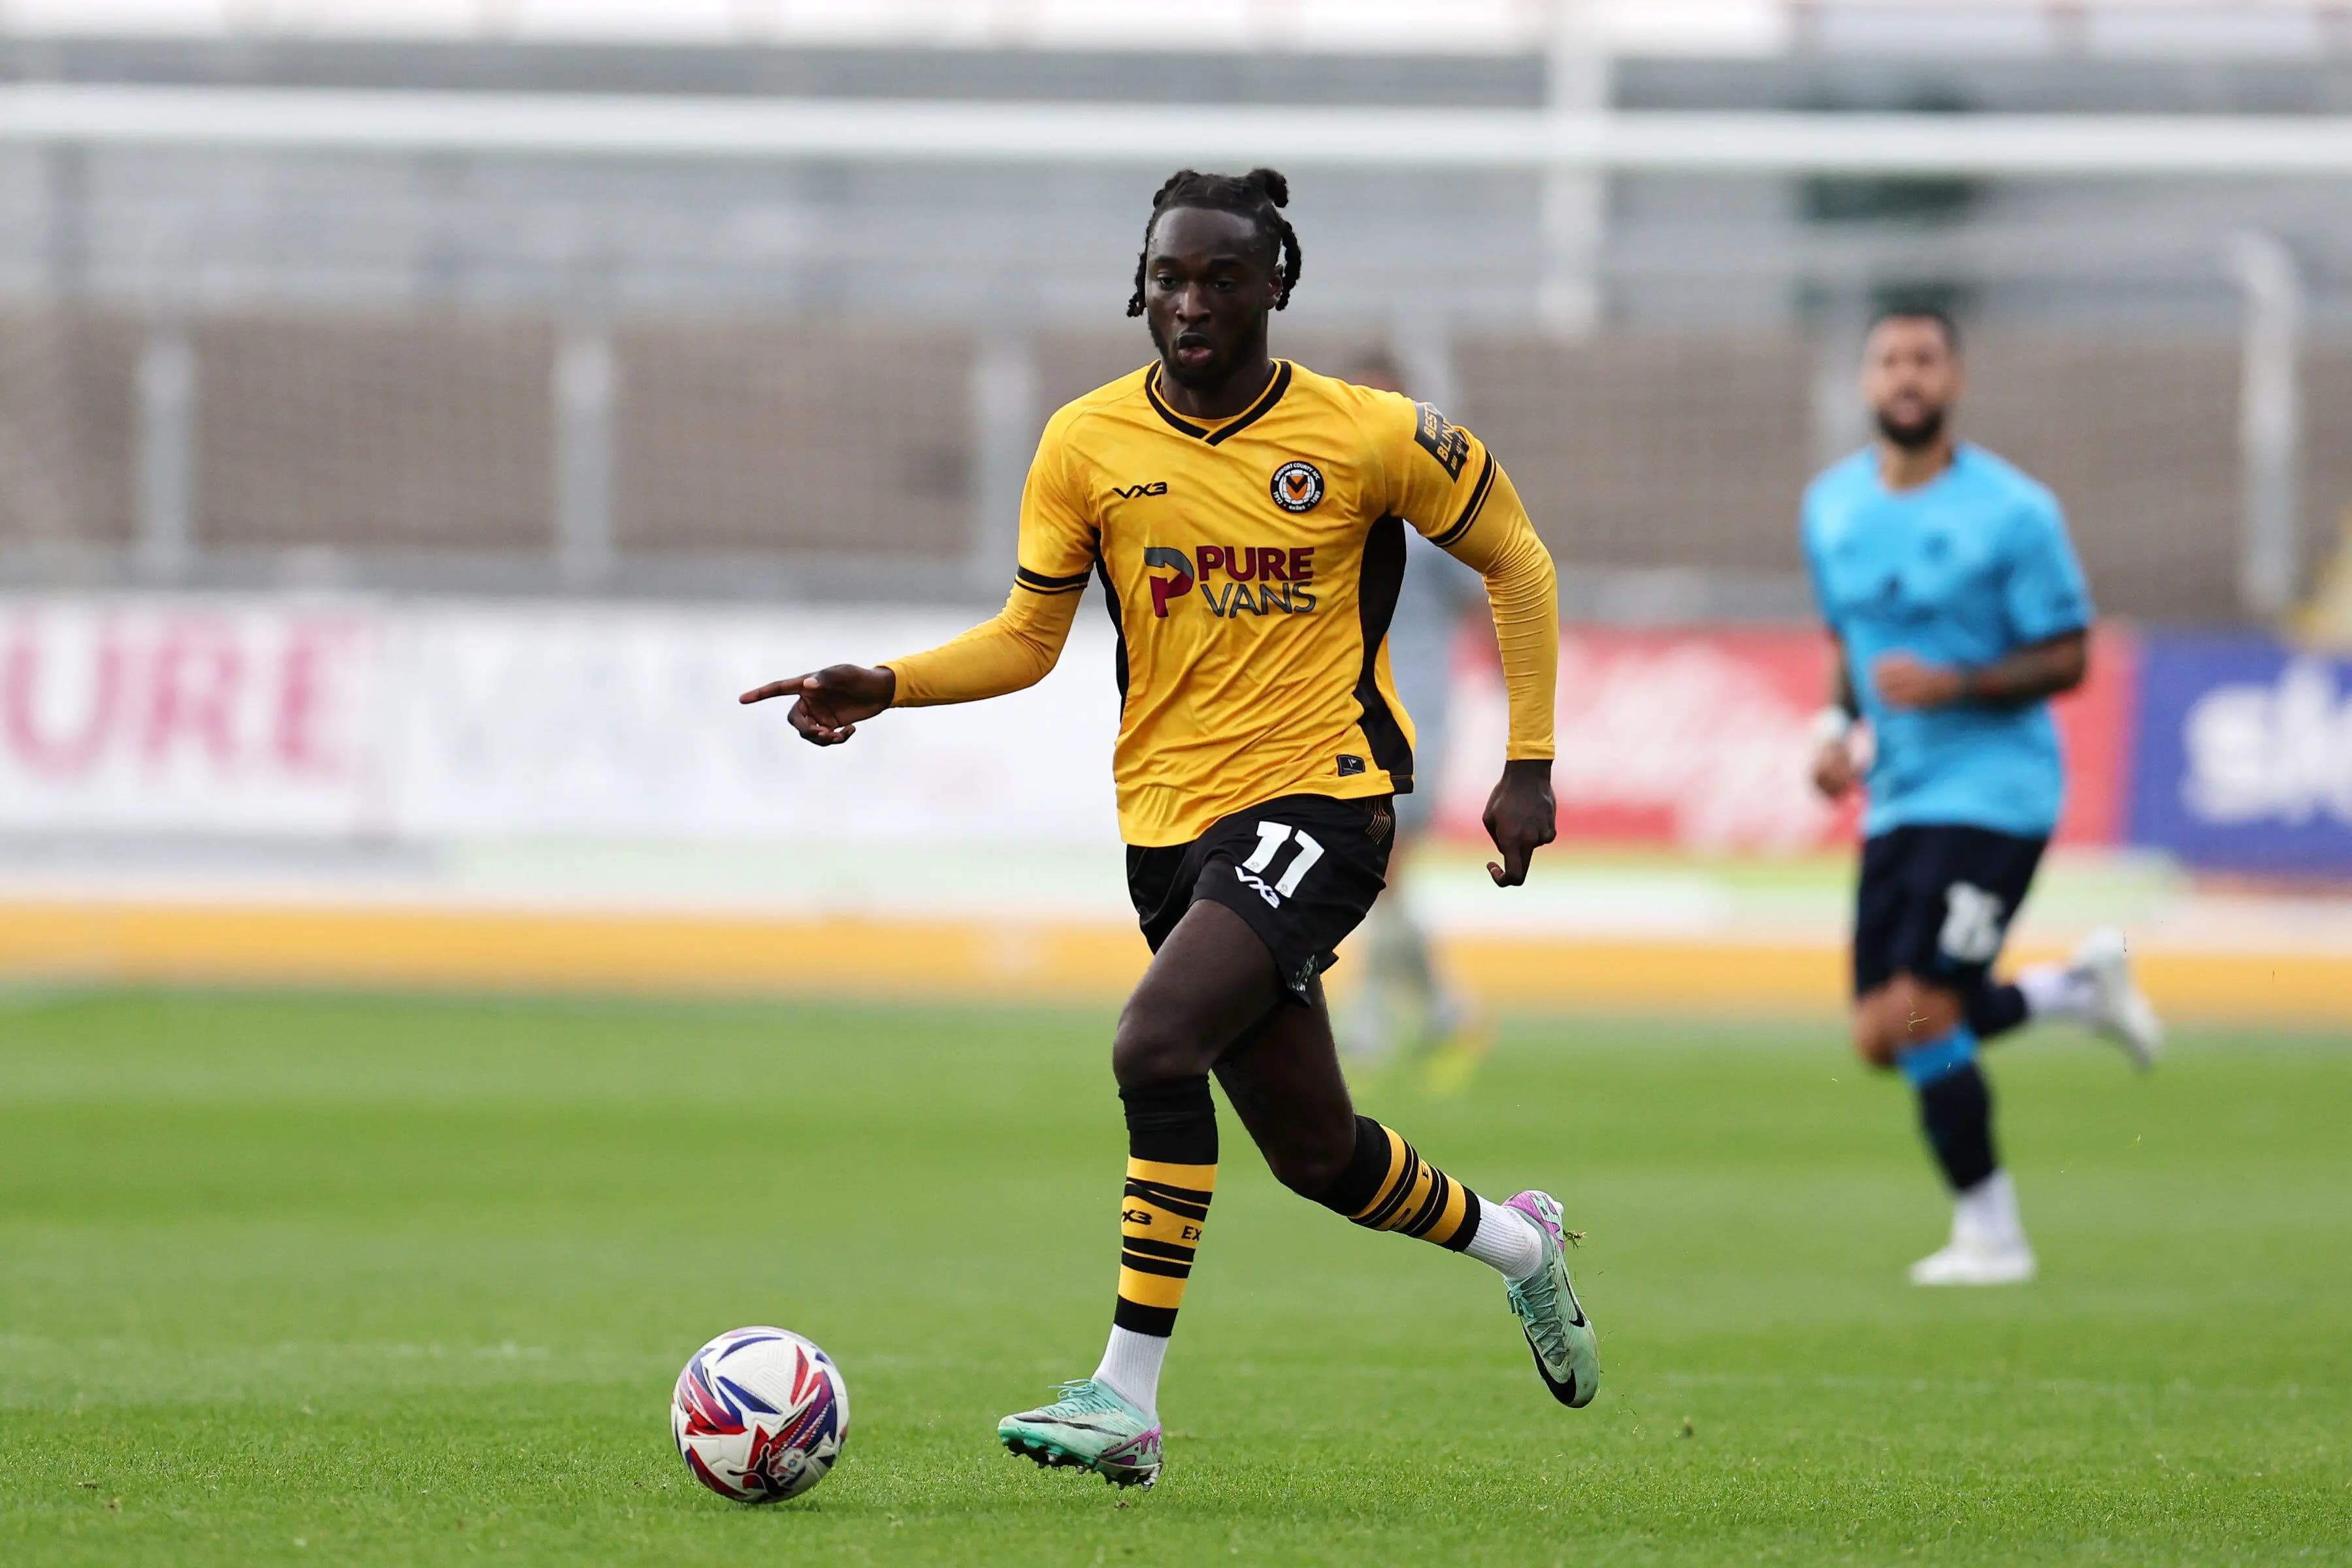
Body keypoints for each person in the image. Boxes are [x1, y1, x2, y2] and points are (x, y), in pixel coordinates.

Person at [742, 167, 1596, 1490]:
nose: (1188, 303)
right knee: (1318, 1154)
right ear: (1139, 286)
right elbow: (1031, 639)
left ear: (1277, 285)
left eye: (1218, 278)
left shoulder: (1372, 435)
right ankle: (1521, 1249)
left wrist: (1530, 763)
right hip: (1165, 825)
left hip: (1326, 794)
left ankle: (1125, 1399)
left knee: (1154, 1042)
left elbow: (1519, 558)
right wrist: (888, 683)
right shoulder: (1086, 443)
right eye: (1167, 279)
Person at [1802, 306, 2163, 1288]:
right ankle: (2073, 991)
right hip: (1900, 794)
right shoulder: (1831, 506)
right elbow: (1852, 644)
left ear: (1955, 379)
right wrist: (1839, 734)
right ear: (1866, 382)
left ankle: (1992, 1233)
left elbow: (2071, 653)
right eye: (1889, 360)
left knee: (1922, 1010)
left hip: (1999, 791)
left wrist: (1958, 685)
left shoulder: (2015, 511)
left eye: (1925, 359)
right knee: (1881, 1033)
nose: (1907, 377)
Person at [1336, 352, 1490, 1085]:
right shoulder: (1326, 508)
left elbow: (1488, 594)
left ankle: (1370, 1022)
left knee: (1375, 869)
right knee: (1375, 873)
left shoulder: (1433, 508)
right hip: (1342, 720)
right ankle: (1444, 1014)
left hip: (1416, 720)